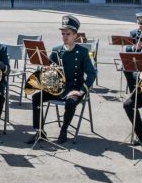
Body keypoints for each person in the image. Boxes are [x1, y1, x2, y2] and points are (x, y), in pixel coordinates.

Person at [24, 15, 96, 143]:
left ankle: (64, 130)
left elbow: (91, 74)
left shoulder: (83, 52)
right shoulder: (57, 50)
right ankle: (40, 131)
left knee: (70, 103)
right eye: (63, 34)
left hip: (74, 89)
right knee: (36, 97)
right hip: (58, 88)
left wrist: (81, 91)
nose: (64, 37)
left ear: (75, 35)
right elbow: (46, 66)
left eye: (68, 34)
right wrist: (49, 69)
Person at [123, 12, 142, 92]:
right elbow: (127, 48)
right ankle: (133, 91)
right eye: (140, 24)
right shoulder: (133, 33)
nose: (141, 26)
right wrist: (135, 47)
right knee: (126, 69)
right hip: (137, 61)